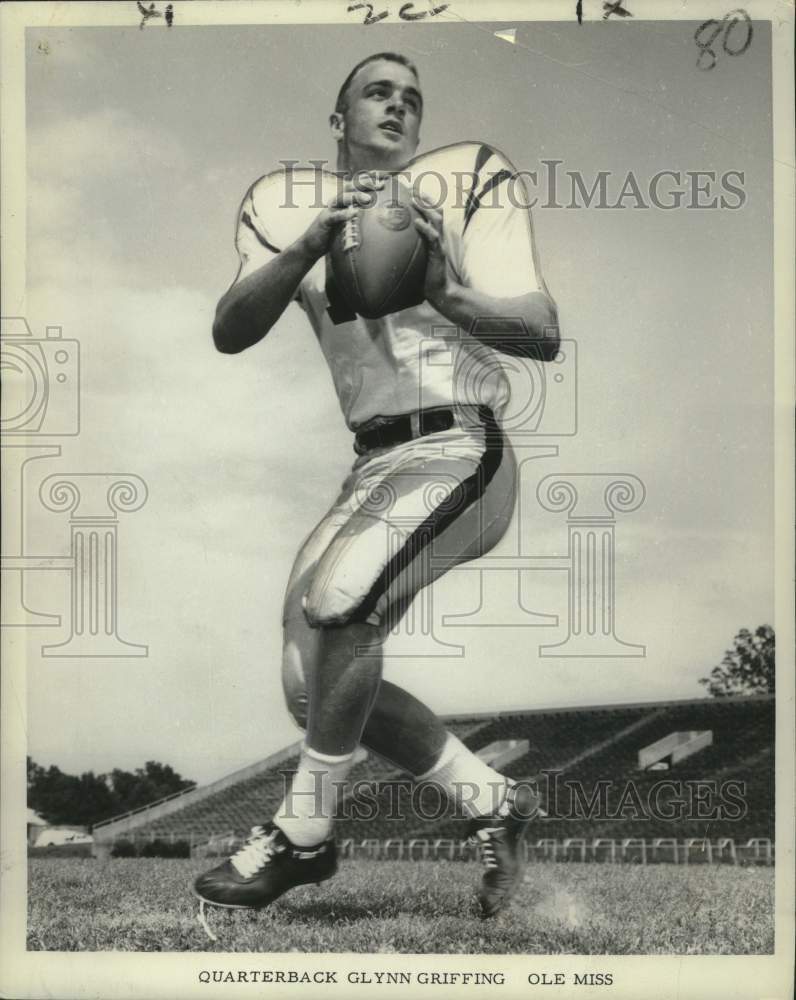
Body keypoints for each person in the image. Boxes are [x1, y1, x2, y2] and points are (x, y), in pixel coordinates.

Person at [194, 52, 559, 920]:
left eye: (413, 99)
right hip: (373, 460)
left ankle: (303, 836)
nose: (399, 107)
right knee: (305, 676)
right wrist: (311, 246)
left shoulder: (465, 181)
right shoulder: (286, 203)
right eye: (378, 92)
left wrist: (446, 293)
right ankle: (495, 804)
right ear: (338, 120)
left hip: (461, 443)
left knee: (341, 602)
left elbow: (541, 331)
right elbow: (229, 328)